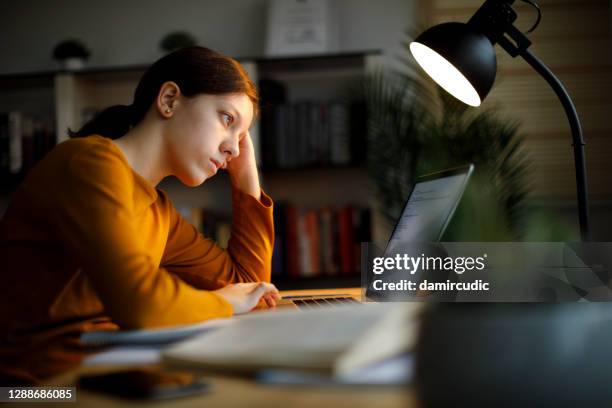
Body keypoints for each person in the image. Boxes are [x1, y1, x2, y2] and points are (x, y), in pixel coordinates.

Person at [0, 46, 279, 384]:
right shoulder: (88, 163)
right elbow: (141, 304)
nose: (234, 148)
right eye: (226, 119)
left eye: (241, 137)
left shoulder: (159, 211)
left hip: (107, 372)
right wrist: (220, 302)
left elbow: (248, 286)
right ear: (169, 100)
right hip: (35, 390)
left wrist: (246, 179)